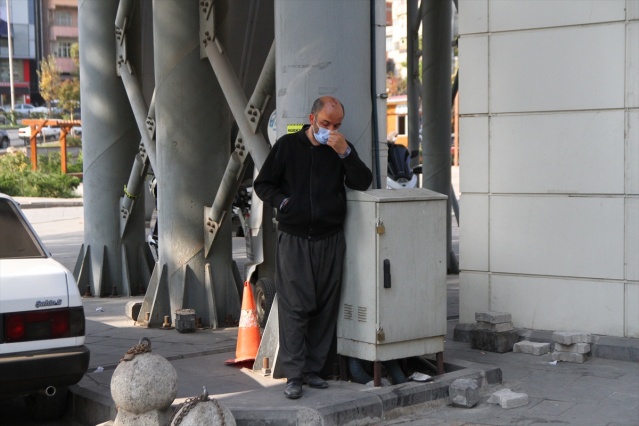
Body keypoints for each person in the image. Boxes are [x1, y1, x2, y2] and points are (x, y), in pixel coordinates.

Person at [253, 96, 372, 399]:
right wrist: (283, 202)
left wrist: (345, 152)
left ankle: (314, 370)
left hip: (330, 238)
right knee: (294, 306)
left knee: (325, 306)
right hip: (294, 239)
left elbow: (363, 181)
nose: (330, 130)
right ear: (312, 119)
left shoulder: (340, 149)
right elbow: (263, 184)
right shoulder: (288, 146)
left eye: (336, 125)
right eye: (325, 124)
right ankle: (294, 375)